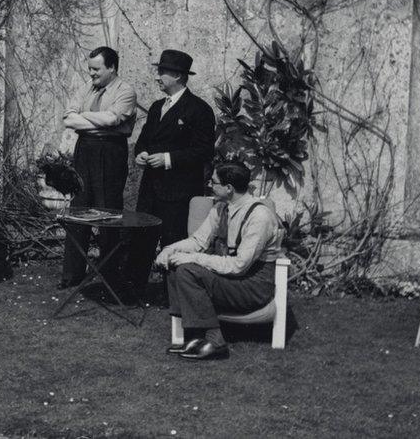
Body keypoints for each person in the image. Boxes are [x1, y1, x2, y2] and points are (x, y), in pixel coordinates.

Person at [155, 162, 285, 361]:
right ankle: (194, 336)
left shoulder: (260, 216)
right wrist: (170, 250)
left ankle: (215, 342)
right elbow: (198, 241)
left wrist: (193, 258)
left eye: (214, 182)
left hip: (253, 286)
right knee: (175, 265)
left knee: (189, 270)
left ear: (229, 188)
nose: (209, 185)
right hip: (231, 279)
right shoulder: (220, 209)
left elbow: (239, 266)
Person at [126, 49, 215, 299]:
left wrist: (167, 159)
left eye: (162, 72)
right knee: (141, 239)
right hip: (150, 187)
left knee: (173, 241)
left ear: (177, 75)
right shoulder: (156, 108)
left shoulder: (199, 110)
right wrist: (141, 155)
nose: (157, 77)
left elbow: (203, 151)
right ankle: (133, 292)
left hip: (180, 191)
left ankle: (175, 297)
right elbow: (143, 141)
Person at [59, 46, 137, 290]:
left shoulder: (126, 91)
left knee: (108, 213)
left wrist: (84, 118)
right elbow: (67, 119)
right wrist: (96, 121)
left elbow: (113, 120)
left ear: (112, 67)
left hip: (111, 152)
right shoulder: (87, 88)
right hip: (85, 151)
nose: (91, 74)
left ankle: (109, 278)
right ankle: (72, 275)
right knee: (78, 210)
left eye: (96, 69)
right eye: (90, 68)